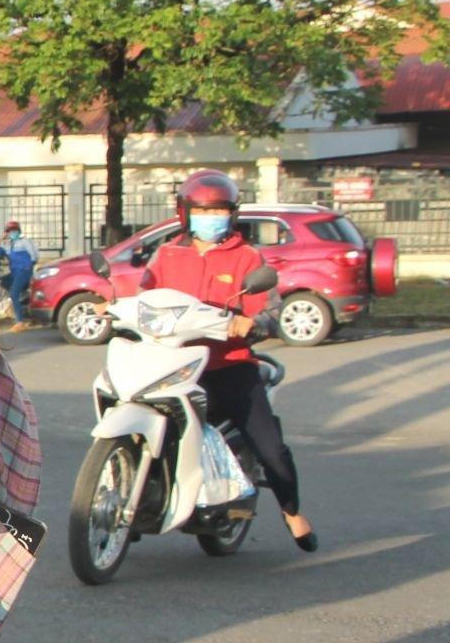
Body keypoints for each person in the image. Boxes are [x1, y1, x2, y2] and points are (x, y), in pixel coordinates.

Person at [128, 168, 316, 552]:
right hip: (175, 364)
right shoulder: (166, 255)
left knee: (270, 448)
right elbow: (145, 299)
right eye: (202, 210)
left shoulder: (246, 257)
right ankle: (130, 499)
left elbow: (269, 310)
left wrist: (253, 323)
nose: (211, 217)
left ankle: (292, 511)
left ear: (232, 214)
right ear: (185, 212)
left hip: (228, 365)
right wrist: (117, 309)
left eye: (219, 210)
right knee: (137, 421)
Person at [0, 220, 39, 332]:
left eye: (14, 230)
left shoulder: (25, 242)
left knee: (14, 293)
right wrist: (1, 238)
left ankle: (20, 322)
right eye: (10, 231)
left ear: (18, 231)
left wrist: (28, 266)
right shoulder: (8, 245)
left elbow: (34, 256)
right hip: (14, 273)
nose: (12, 233)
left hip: (24, 271)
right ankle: (21, 303)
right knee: (2, 282)